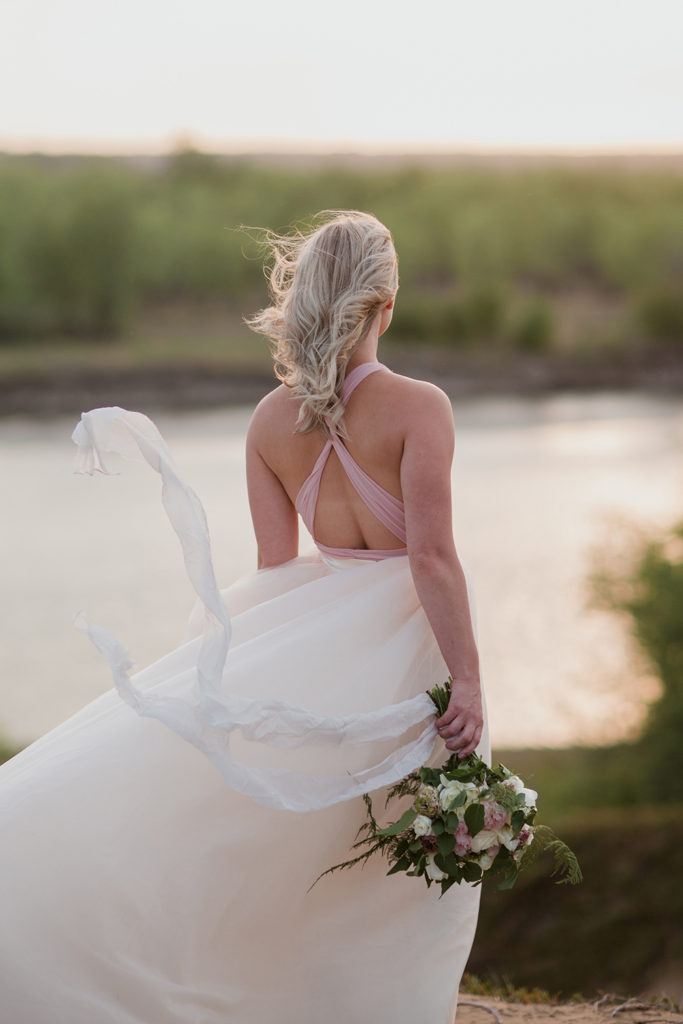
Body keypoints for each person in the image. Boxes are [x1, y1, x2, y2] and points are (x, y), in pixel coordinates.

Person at [0, 210, 489, 1023]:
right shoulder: (418, 407)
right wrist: (467, 680)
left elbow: (275, 567)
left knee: (301, 843)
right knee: (399, 844)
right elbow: (431, 559)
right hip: (404, 648)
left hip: (317, 640)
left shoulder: (270, 421)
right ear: (385, 302)